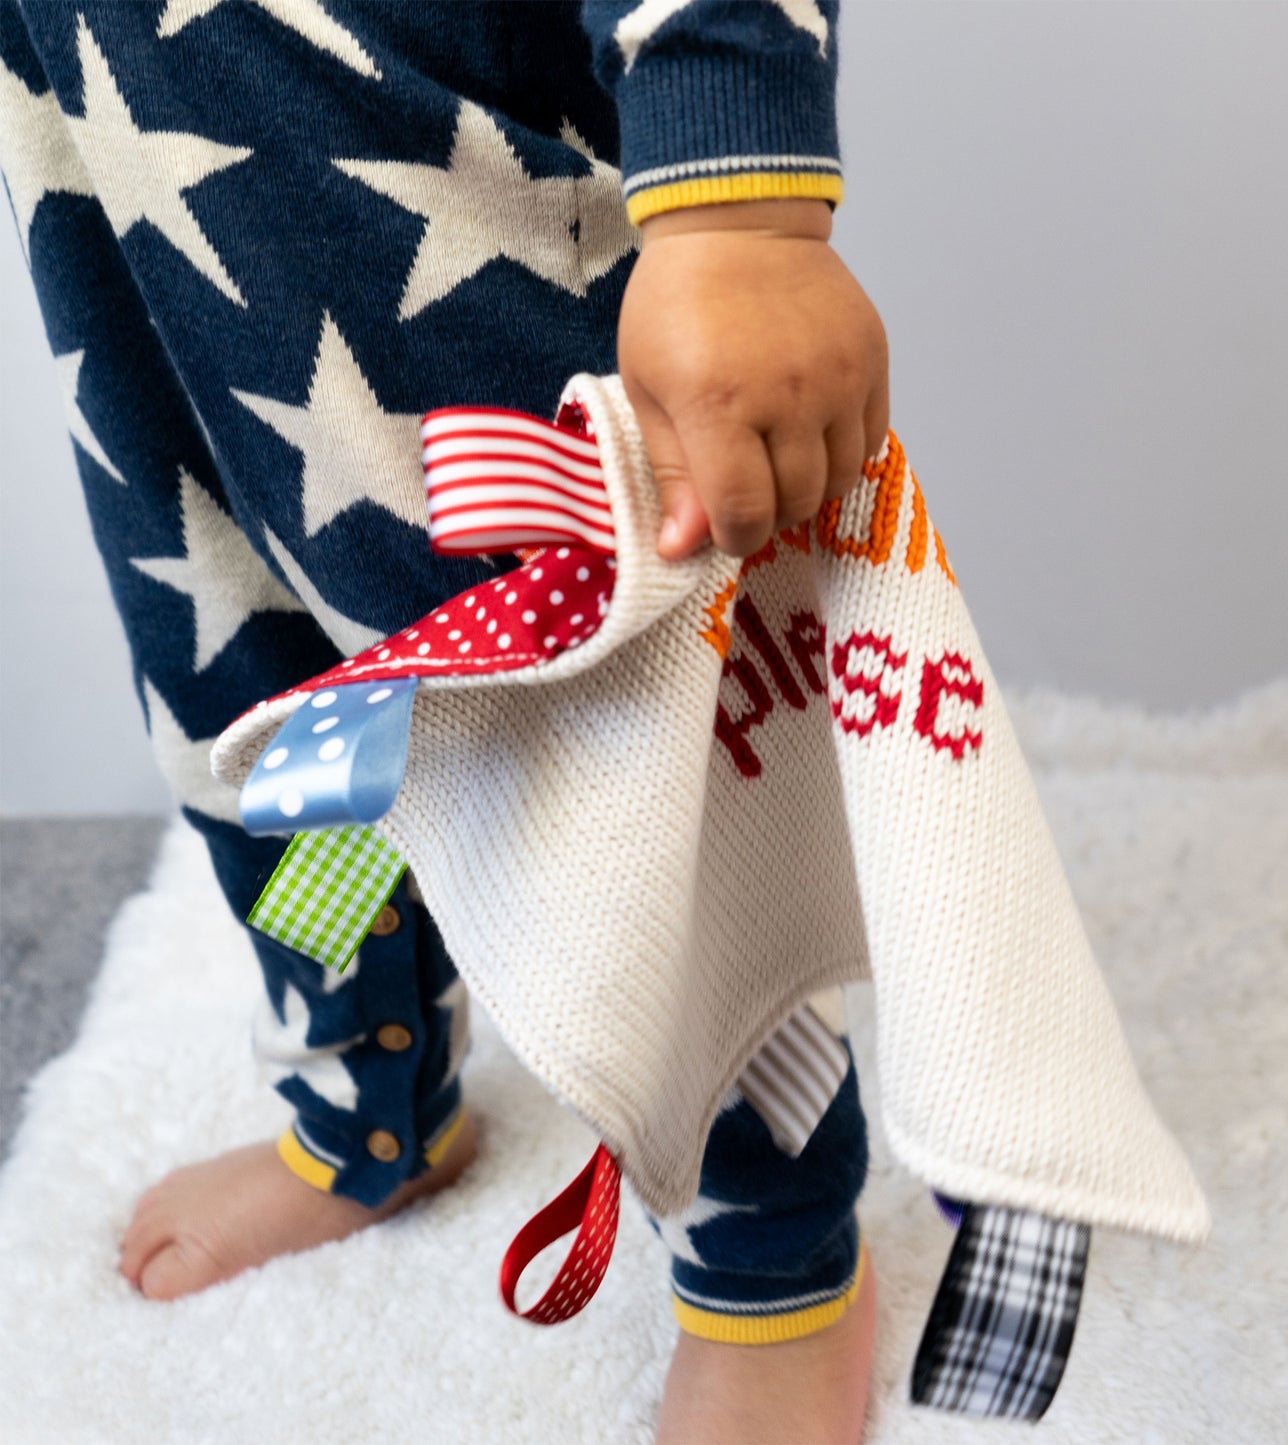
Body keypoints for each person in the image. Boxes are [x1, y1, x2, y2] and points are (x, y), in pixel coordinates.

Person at [0, 2, 887, 1440]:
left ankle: (766, 1253)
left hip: (462, 233)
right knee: (276, 742)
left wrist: (741, 197)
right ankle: (375, 1090)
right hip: (142, 250)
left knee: (630, 781)